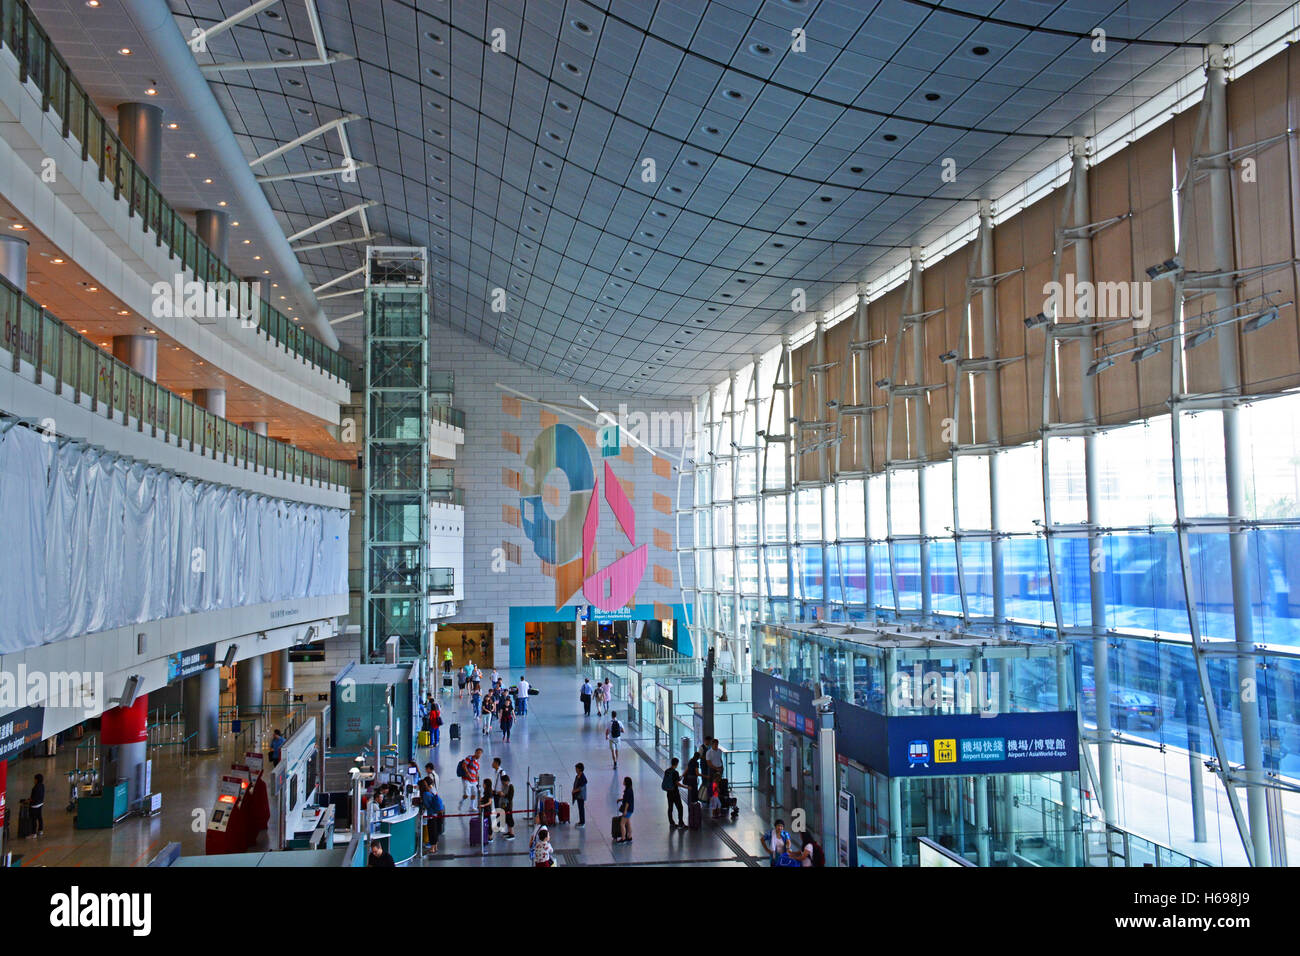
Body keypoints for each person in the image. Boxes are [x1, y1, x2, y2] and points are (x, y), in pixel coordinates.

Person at [662, 756, 685, 829]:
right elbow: (677, 783)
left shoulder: (667, 771)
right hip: (675, 792)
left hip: (669, 792)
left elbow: (673, 780)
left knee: (670, 807)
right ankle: (680, 823)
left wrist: (680, 778)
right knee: (680, 807)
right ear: (676, 764)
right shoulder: (675, 772)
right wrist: (686, 787)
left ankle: (671, 822)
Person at [615, 776, 634, 844]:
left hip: (628, 809)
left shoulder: (628, 791)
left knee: (622, 824)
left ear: (626, 782)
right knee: (628, 823)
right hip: (630, 809)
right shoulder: (629, 790)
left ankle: (623, 838)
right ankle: (629, 836)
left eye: (624, 781)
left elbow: (627, 802)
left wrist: (625, 810)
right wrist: (620, 799)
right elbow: (627, 799)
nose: (623, 782)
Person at [478, 779, 496, 843]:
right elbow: (483, 798)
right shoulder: (486, 791)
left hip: (487, 810)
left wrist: (483, 805)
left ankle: (490, 837)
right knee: (485, 822)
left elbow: (489, 802)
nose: (483, 785)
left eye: (483, 783)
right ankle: (486, 835)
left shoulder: (489, 792)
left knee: (488, 822)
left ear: (486, 784)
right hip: (485, 809)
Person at [499, 773, 516, 839]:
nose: (503, 783)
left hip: (508, 806)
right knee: (506, 818)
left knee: (509, 819)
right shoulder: (504, 786)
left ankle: (512, 833)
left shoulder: (510, 786)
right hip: (504, 805)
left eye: (503, 782)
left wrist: (503, 795)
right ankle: (509, 831)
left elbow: (510, 797)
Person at [28, 773, 45, 838]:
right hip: (40, 804)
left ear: (37, 780)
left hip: (34, 806)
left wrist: (28, 800)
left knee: (33, 819)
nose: (34, 780)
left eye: (34, 779)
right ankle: (40, 830)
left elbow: (33, 798)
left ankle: (33, 833)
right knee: (39, 817)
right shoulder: (42, 786)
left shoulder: (35, 788)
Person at [571, 762, 588, 828]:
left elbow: (581, 788)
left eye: (576, 769)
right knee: (580, 808)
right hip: (578, 796)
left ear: (579, 769)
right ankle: (580, 821)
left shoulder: (583, 778)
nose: (575, 770)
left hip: (581, 796)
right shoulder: (577, 776)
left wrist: (574, 791)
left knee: (581, 809)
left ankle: (582, 822)